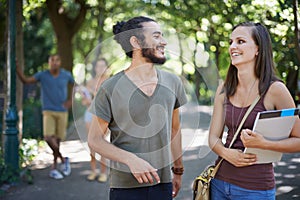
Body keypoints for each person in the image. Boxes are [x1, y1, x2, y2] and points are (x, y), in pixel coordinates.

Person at [87, 16, 187, 199]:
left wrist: (178, 169)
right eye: (156, 36)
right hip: (124, 187)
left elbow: (175, 129)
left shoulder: (173, 82)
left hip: (162, 183)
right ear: (135, 42)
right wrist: (130, 160)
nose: (163, 42)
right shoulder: (110, 88)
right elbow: (94, 140)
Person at [208, 22, 300, 200]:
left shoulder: (276, 90)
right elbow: (213, 138)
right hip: (219, 183)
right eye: (231, 42)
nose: (233, 46)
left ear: (258, 49)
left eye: (240, 41)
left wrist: (264, 143)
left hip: (255, 189)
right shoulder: (224, 88)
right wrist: (227, 153)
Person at [17, 54, 74, 180]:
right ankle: (63, 159)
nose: (54, 62)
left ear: (60, 62)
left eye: (57, 60)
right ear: (48, 62)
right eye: (52, 60)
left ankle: (54, 169)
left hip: (62, 111)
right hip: (48, 110)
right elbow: (26, 81)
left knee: (57, 141)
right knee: (48, 137)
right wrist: (16, 68)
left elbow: (76, 85)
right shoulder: (42, 75)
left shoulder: (66, 75)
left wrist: (71, 100)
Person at [80, 58, 109, 182]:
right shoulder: (90, 82)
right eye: (98, 66)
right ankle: (93, 171)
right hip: (90, 114)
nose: (100, 68)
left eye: (103, 66)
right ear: (95, 68)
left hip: (103, 115)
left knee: (101, 142)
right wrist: (86, 98)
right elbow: (85, 101)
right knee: (91, 142)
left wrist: (93, 94)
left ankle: (103, 172)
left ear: (107, 68)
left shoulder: (109, 82)